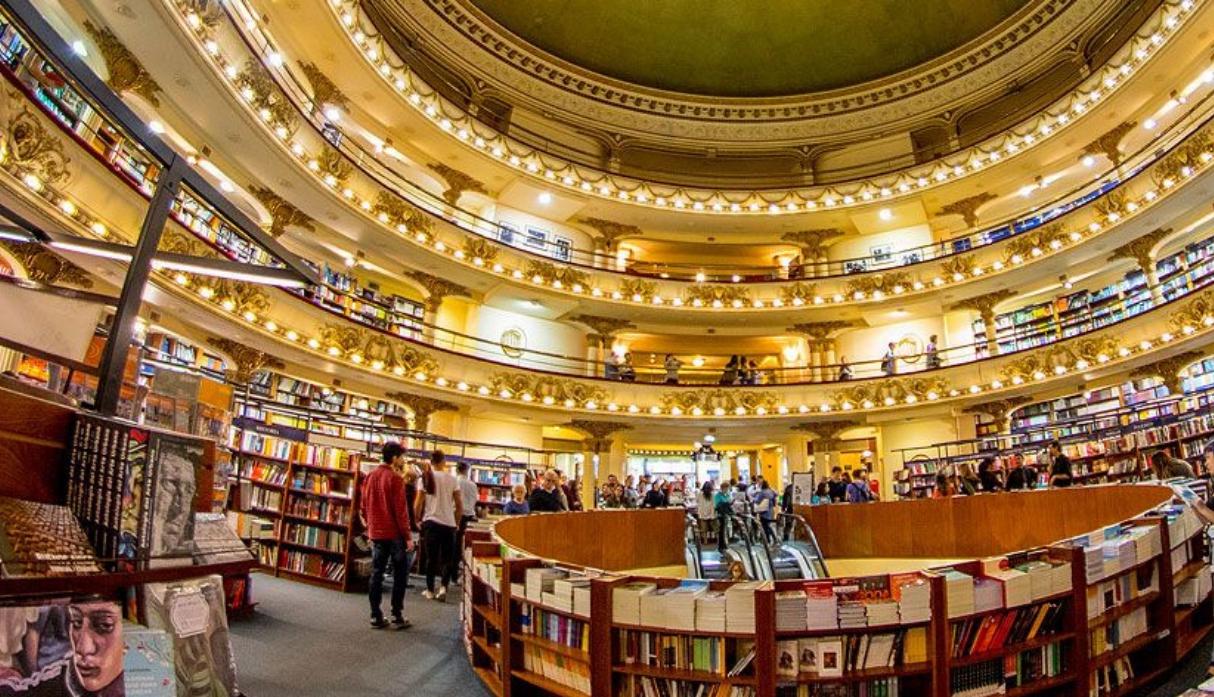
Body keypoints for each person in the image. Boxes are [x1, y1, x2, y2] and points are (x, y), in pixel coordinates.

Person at [360, 441, 413, 629]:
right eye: (402, 457)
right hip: (395, 535)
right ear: (394, 458)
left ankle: (375, 615)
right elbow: (401, 511)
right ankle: (397, 614)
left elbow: (363, 505)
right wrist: (408, 537)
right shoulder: (395, 479)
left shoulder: (370, 477)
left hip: (376, 533)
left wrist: (370, 526)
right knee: (400, 574)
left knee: (376, 573)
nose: (403, 460)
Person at [414, 450, 463, 602]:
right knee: (447, 558)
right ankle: (443, 587)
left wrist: (417, 519)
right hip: (448, 523)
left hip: (431, 521)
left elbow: (418, 502)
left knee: (431, 558)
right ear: (444, 462)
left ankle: (429, 590)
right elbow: (459, 505)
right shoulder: (452, 479)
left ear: (431, 462)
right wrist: (456, 522)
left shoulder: (425, 477)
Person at [454, 461, 480, 581]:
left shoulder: (455, 482)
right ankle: (465, 575)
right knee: (467, 547)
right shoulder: (473, 485)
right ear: (467, 470)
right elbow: (475, 500)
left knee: (455, 546)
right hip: (470, 517)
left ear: (457, 470)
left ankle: (453, 575)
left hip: (456, 516)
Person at [713, 485, 734, 553]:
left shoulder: (727, 495)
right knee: (721, 531)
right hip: (720, 515)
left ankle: (725, 544)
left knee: (725, 530)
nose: (726, 490)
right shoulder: (717, 495)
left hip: (726, 514)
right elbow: (716, 505)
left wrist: (729, 503)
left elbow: (729, 502)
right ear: (722, 488)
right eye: (725, 488)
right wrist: (726, 503)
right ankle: (721, 545)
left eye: (727, 489)